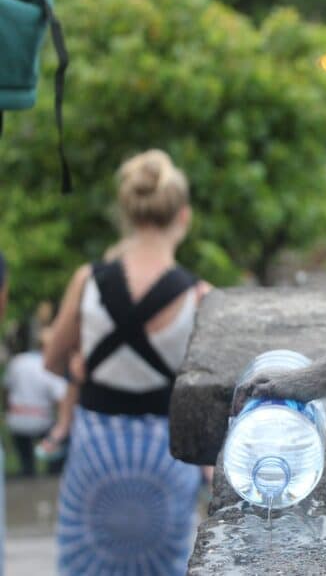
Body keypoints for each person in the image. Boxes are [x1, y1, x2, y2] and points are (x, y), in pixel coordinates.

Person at [43, 150, 211, 575]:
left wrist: (80, 367)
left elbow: (51, 359)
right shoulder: (199, 296)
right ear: (184, 217)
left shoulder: (88, 281)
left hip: (95, 451)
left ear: (126, 213)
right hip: (165, 457)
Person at [4, 333, 68, 476]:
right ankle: (53, 474)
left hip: (16, 419)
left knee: (26, 458)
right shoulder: (51, 367)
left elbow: (6, 390)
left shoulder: (18, 360)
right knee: (60, 439)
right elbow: (62, 400)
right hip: (41, 421)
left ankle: (27, 470)